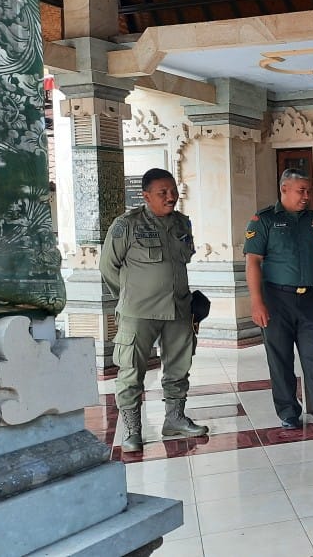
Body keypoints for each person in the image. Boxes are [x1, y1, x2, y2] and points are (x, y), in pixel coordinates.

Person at [100, 168, 208, 453]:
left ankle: (174, 419)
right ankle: (132, 430)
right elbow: (108, 266)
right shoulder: (127, 225)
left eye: (173, 191)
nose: (170, 197)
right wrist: (129, 297)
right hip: (139, 312)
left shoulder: (182, 223)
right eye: (163, 193)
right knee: (131, 371)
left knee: (179, 367)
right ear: (146, 196)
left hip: (178, 309)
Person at [243, 168, 313, 429]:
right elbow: (253, 261)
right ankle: (288, 411)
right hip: (275, 299)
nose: (307, 196)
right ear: (284, 189)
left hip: (308, 298)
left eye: (309, 191)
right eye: (301, 191)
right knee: (280, 358)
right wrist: (256, 301)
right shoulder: (263, 220)